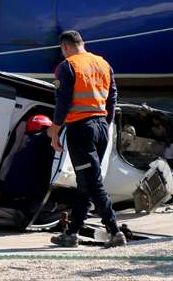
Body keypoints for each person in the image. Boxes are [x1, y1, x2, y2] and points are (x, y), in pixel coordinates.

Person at [47, 30, 126, 248]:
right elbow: (113, 97)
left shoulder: (67, 66)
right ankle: (72, 234)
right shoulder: (103, 64)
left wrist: (54, 130)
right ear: (83, 43)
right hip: (101, 126)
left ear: (64, 47)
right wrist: (105, 124)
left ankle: (115, 231)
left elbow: (62, 102)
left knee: (93, 183)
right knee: (85, 182)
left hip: (80, 129)